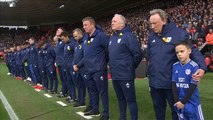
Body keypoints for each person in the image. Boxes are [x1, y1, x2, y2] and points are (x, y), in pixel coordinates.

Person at [147, 9, 206, 120]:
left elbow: (193, 50)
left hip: (172, 84)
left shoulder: (179, 34)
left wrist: (202, 67)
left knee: (177, 113)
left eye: (154, 23)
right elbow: (149, 56)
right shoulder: (151, 37)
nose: (152, 26)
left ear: (164, 21)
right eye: (150, 23)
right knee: (158, 111)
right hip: (155, 83)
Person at [108, 14, 142, 120]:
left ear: (122, 24)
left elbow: (137, 54)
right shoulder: (112, 37)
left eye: (114, 21)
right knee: (120, 99)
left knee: (130, 100)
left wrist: (129, 67)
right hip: (115, 75)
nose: (112, 23)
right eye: (112, 21)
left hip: (125, 75)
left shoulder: (128, 36)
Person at [82, 16, 109, 120]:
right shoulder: (85, 37)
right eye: (83, 25)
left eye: (86, 25)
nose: (84, 27)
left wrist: (103, 62)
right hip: (88, 70)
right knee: (92, 91)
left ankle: (106, 114)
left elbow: (107, 51)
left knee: (103, 92)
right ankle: (95, 109)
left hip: (99, 69)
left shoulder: (101, 35)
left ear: (92, 25)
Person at [172, 41, 204, 120]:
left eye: (182, 51)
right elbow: (173, 84)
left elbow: (193, 86)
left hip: (192, 103)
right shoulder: (175, 66)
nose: (179, 54)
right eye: (177, 52)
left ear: (189, 51)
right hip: (179, 103)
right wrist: (177, 101)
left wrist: (183, 102)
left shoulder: (194, 66)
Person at [72, 28, 87, 108]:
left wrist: (78, 65)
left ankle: (90, 105)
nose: (75, 38)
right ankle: (81, 101)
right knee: (79, 86)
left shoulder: (85, 42)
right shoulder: (76, 43)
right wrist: (74, 65)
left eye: (76, 36)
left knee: (88, 87)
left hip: (83, 69)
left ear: (81, 34)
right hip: (77, 69)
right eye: (74, 37)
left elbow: (85, 56)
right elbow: (75, 56)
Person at [60, 31, 77, 102]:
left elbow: (76, 55)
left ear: (67, 36)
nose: (62, 40)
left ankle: (76, 97)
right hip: (66, 67)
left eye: (63, 38)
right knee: (69, 82)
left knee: (75, 83)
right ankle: (72, 96)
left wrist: (73, 64)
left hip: (72, 67)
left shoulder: (73, 43)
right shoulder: (66, 44)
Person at [54, 28, 68, 97]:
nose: (57, 31)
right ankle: (64, 90)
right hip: (59, 63)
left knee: (65, 78)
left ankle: (65, 91)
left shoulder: (63, 41)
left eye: (58, 30)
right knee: (62, 78)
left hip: (63, 63)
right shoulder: (59, 42)